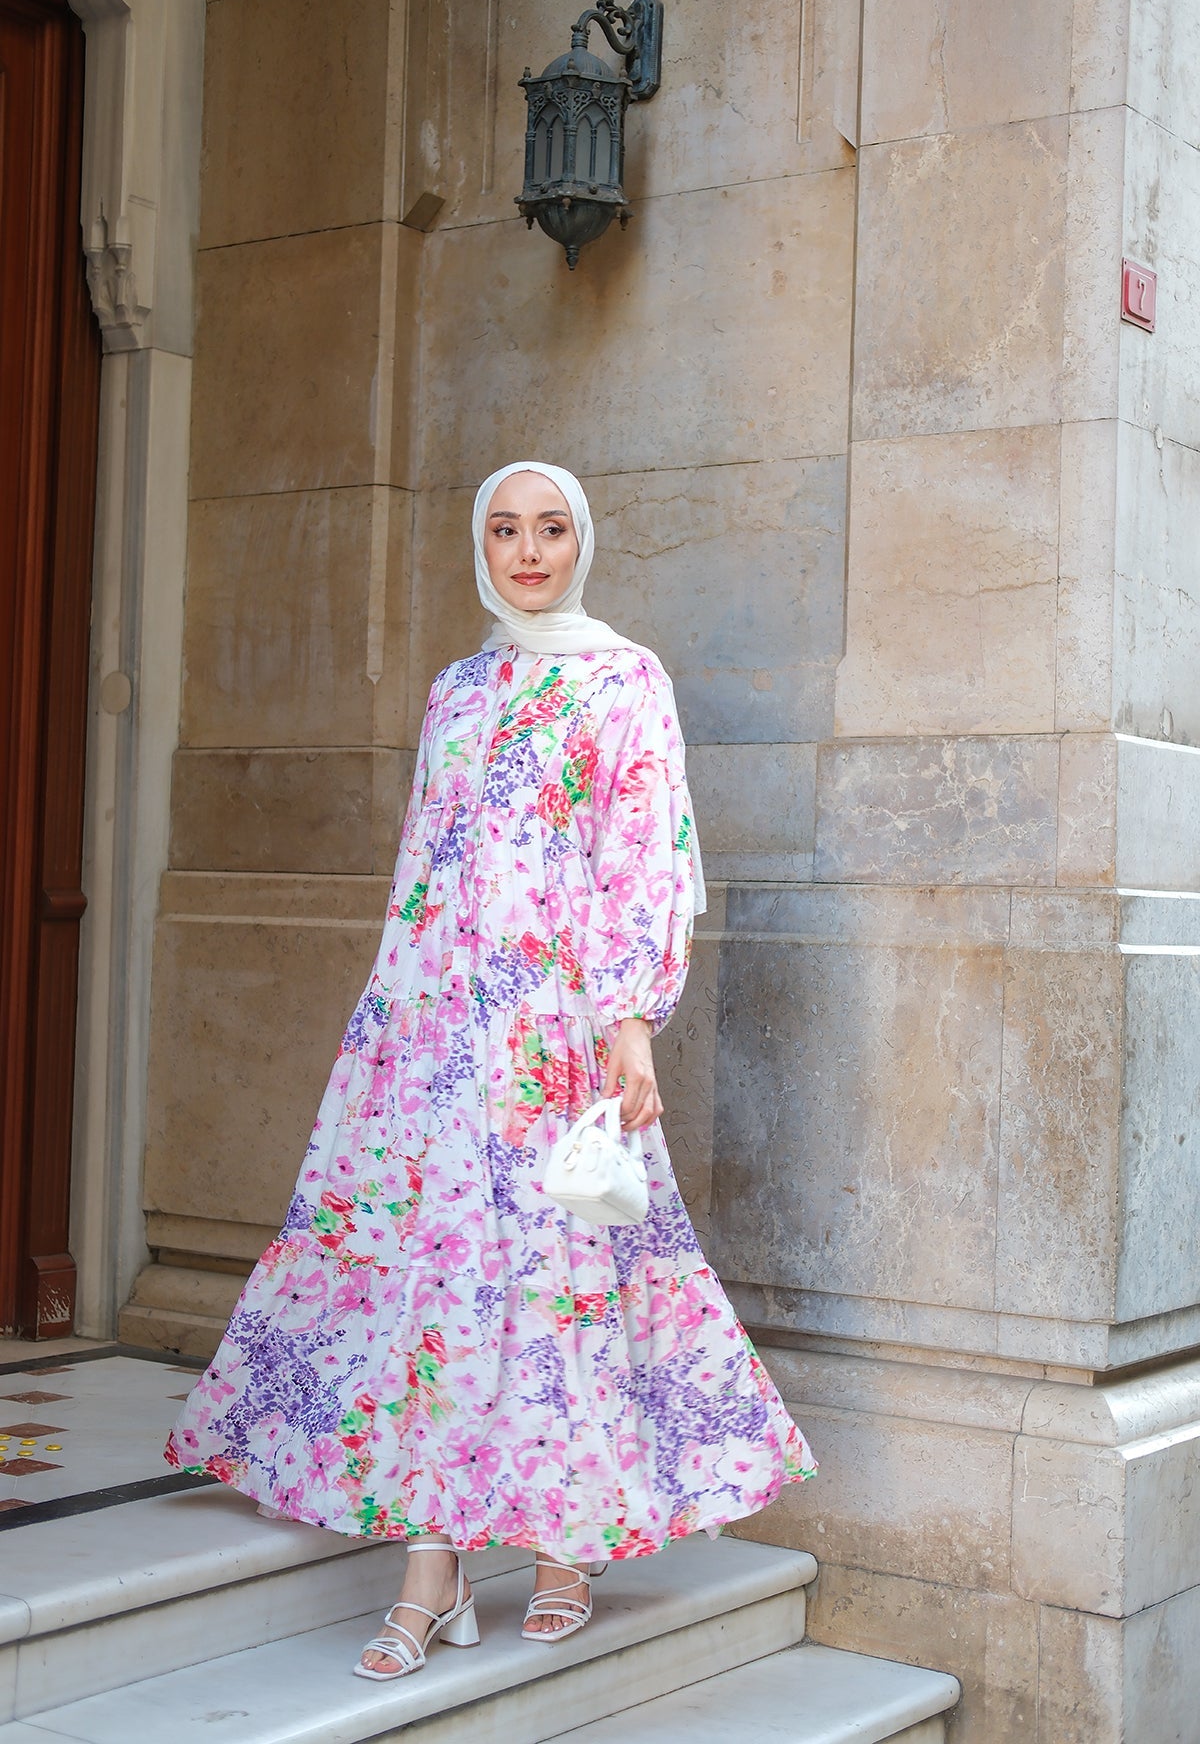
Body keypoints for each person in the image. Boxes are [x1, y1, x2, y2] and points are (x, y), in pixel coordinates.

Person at [166, 461, 816, 1681]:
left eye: (551, 529)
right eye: (507, 530)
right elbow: (422, 867)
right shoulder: (457, 691)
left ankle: (570, 1545)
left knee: (564, 1275)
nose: (528, 552)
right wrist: (388, 1029)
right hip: (436, 1034)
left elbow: (650, 846)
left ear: (583, 543)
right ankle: (438, 1570)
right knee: (438, 1290)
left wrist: (629, 1020)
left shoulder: (624, 679)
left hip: (559, 1031)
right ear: (484, 544)